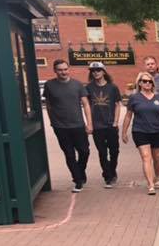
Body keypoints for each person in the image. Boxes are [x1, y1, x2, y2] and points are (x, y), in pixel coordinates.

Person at [43, 59, 92, 192]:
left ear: (68, 69)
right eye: (60, 70)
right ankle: (78, 180)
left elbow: (86, 104)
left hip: (78, 125)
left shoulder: (77, 85)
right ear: (55, 70)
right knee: (69, 154)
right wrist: (52, 121)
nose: (63, 72)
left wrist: (89, 124)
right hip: (60, 127)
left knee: (84, 151)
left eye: (65, 69)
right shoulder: (49, 85)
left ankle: (80, 172)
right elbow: (48, 104)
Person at [122, 71, 159, 195]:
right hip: (140, 131)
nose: (148, 83)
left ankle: (157, 177)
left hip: (157, 130)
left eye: (150, 81)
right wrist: (124, 132)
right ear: (139, 83)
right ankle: (150, 184)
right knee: (146, 157)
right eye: (144, 81)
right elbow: (128, 115)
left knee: (157, 157)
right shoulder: (134, 98)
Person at [85, 62, 122, 187]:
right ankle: (107, 176)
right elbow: (86, 106)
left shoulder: (113, 87)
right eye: (93, 71)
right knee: (102, 152)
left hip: (111, 125)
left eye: (98, 70)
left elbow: (117, 105)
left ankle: (112, 170)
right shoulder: (88, 88)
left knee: (114, 151)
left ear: (104, 71)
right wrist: (89, 124)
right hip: (97, 126)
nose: (95, 72)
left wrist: (116, 122)